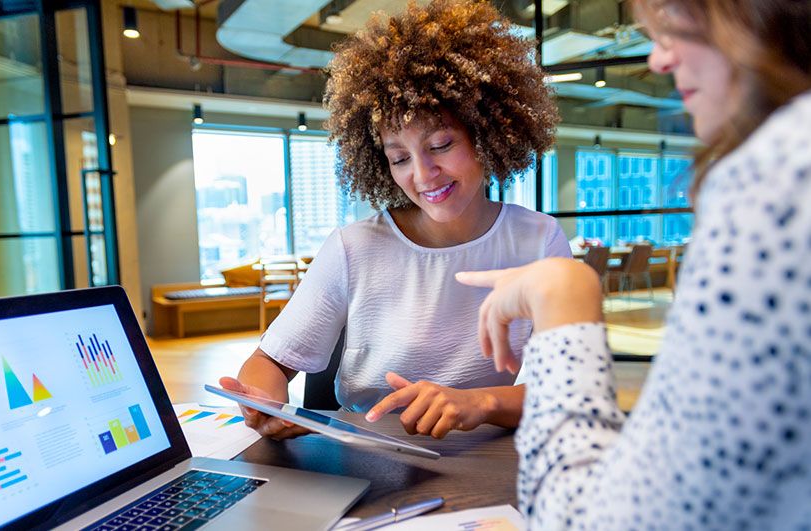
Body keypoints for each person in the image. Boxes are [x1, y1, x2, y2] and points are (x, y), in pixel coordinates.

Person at [457, 0, 811, 527]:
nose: (658, 59)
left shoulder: (778, 179)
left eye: (674, 23)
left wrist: (562, 296)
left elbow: (606, 520)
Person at [220, 0, 568, 440]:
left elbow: (560, 392)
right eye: (399, 157)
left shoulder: (539, 241)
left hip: (494, 462)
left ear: (487, 134)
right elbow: (270, 362)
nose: (422, 176)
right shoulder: (354, 247)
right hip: (368, 455)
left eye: (440, 145)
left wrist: (478, 402)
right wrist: (264, 402)